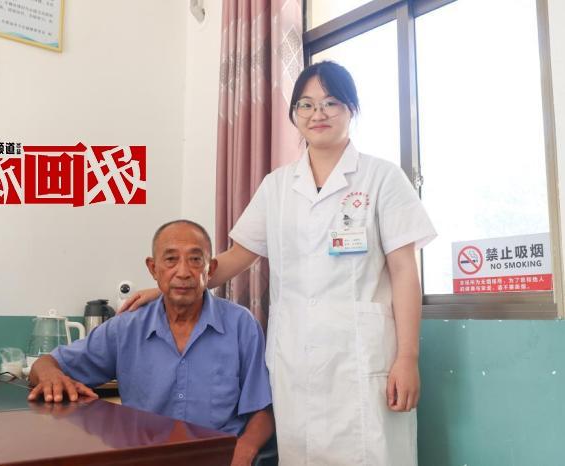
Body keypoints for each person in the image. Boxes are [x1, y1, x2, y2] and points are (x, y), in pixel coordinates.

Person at [121, 61, 437, 465]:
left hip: (361, 361)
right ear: (294, 114)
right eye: (306, 104)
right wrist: (172, 287)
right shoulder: (277, 186)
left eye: (330, 102)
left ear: (351, 109)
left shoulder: (382, 178)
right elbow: (237, 256)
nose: (317, 113)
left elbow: (405, 271)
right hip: (295, 361)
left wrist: (407, 357)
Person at [28, 220, 275, 466]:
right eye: (171, 260)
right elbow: (45, 364)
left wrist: (245, 450)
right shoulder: (126, 327)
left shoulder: (241, 325)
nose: (183, 272)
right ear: (153, 269)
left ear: (210, 269)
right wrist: (50, 375)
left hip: (217, 459)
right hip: (146, 459)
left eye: (195, 259)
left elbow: (263, 409)